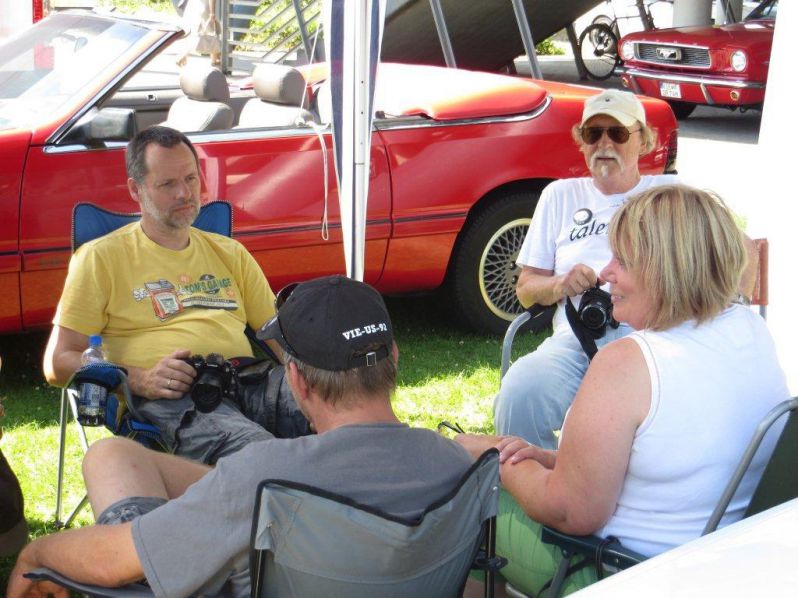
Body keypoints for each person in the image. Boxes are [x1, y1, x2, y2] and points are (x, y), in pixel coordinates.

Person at [9, 275, 474, 598]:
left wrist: (37, 551)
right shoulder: (456, 466)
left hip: (240, 568)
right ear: (393, 355)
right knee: (114, 455)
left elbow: (115, 562)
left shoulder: (265, 477)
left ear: (298, 382)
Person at [458, 184, 788, 596]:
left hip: (627, 572)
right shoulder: (750, 331)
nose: (606, 271)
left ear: (669, 268)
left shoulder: (629, 362)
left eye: (624, 260)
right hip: (725, 563)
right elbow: (678, 457)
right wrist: (551, 458)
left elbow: (570, 512)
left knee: (468, 500)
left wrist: (496, 460)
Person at [43, 125, 305, 465]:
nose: (184, 193)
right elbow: (58, 362)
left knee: (345, 418)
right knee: (258, 455)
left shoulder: (230, 252)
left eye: (191, 179)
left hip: (247, 381)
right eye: (168, 184)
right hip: (173, 397)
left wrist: (315, 380)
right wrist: (138, 378)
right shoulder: (100, 258)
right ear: (136, 190)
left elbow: (278, 333)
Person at [494, 88, 682, 450]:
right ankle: (544, 493)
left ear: (644, 141)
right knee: (519, 393)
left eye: (619, 133)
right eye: (593, 134)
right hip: (576, 341)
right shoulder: (560, 196)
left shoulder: (668, 195)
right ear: (581, 142)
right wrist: (561, 284)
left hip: (653, 338)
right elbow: (525, 288)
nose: (604, 144)